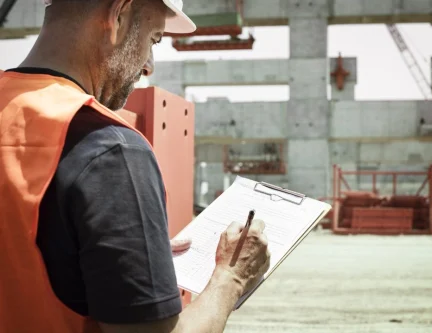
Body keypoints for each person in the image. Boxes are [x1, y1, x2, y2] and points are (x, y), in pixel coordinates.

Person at [0, 1, 270, 333]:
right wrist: (231, 277)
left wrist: (125, 249)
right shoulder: (110, 148)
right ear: (119, 14)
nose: (149, 66)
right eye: (154, 38)